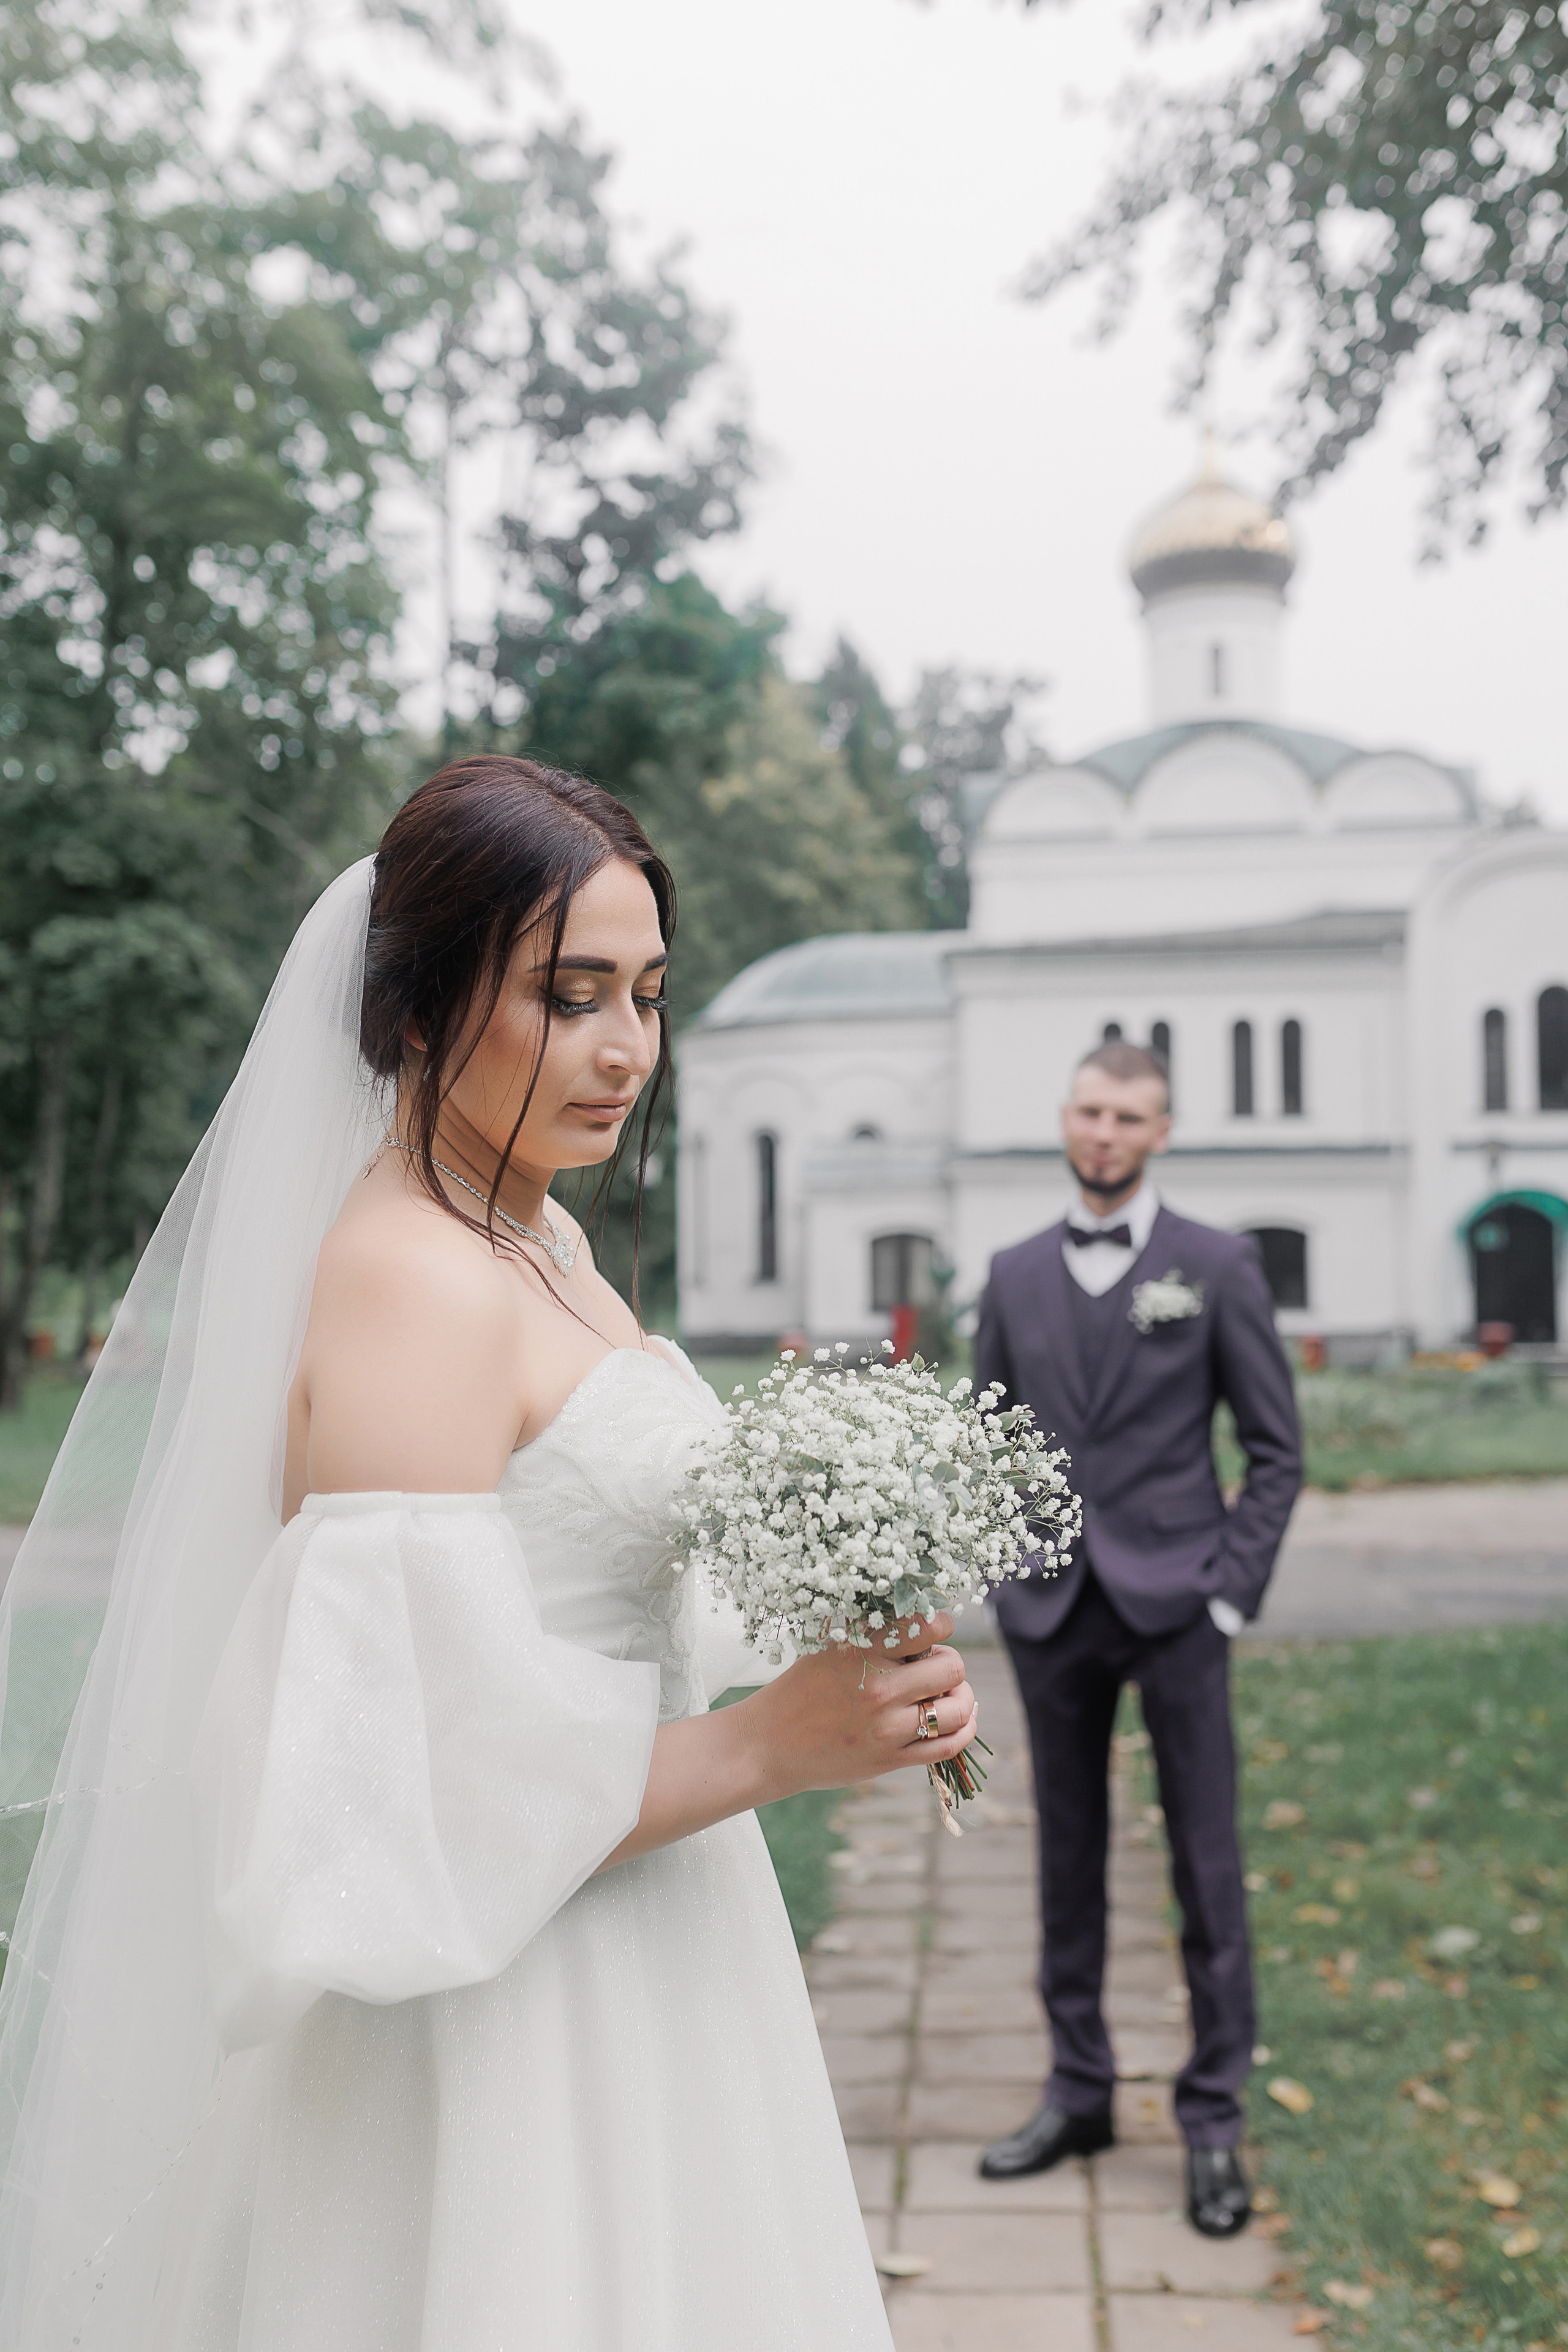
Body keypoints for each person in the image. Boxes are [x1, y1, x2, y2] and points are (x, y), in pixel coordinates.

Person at [0, 756, 982, 2351]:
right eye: (567, 993)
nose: (623, 1050)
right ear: (413, 1010)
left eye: (649, 996)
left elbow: (593, 1565)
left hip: (651, 1922)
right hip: (499, 2010)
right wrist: (767, 1744)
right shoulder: (414, 1283)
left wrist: (843, 1600)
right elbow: (400, 1784)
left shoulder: (541, 1239)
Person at [973, 1039, 1300, 2237]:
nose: (1103, 1132)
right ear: (1065, 1118)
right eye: (1089, 1110)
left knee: (1204, 1869)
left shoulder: (1215, 1266)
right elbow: (988, 1446)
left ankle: (1211, 2121)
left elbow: (1275, 1449)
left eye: (1128, 1116)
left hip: (1178, 1611)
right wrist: (1011, 1577)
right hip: (1053, 1613)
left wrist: (1226, 1592)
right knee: (1066, 1861)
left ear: (1160, 1131)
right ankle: (1079, 2092)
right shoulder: (1009, 1276)